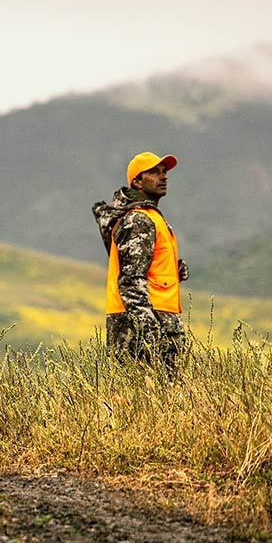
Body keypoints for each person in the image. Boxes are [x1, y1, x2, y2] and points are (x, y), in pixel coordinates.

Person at [92, 151, 189, 376]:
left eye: (164, 172)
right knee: (144, 401)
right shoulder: (139, 220)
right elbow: (130, 283)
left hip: (155, 320)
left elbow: (144, 268)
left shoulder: (151, 217)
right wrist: (152, 333)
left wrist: (174, 271)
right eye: (154, 172)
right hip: (141, 328)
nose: (163, 177)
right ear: (137, 181)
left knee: (163, 404)